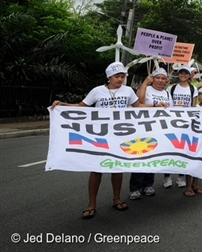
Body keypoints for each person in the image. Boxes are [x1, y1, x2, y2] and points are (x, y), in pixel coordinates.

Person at [50, 62, 149, 219]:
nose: (120, 79)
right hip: (100, 136)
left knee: (117, 167)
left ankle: (117, 199)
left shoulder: (128, 90)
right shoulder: (97, 91)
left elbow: (138, 106)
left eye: (123, 76)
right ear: (109, 77)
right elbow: (82, 106)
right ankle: (91, 204)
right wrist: (63, 105)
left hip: (120, 135)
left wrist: (157, 106)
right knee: (96, 169)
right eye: (117, 76)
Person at [128, 67, 170, 200]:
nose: (160, 81)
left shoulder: (167, 93)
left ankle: (148, 185)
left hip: (159, 129)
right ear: (153, 78)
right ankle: (135, 188)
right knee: (140, 156)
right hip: (143, 128)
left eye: (163, 78)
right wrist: (145, 83)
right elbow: (138, 103)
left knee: (153, 157)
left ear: (166, 81)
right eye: (157, 77)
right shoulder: (147, 89)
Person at [164, 65, 198, 189]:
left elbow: (193, 106)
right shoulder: (171, 88)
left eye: (186, 73)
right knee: (170, 149)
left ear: (189, 75)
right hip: (172, 123)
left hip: (186, 124)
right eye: (181, 73)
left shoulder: (193, 89)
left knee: (183, 150)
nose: (183, 75)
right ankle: (167, 176)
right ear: (178, 75)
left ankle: (181, 176)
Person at [183, 86, 202, 197]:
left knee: (199, 162)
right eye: (199, 94)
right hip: (192, 140)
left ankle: (195, 184)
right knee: (190, 161)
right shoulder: (193, 108)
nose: (200, 96)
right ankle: (188, 186)